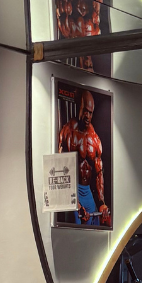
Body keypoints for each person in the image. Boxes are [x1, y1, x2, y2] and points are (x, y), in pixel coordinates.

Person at [57, 89, 109, 226]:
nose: (87, 116)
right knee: (76, 228)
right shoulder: (68, 132)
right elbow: (61, 172)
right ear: (79, 107)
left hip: (87, 192)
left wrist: (101, 202)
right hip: (73, 191)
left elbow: (99, 173)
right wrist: (76, 203)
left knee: (95, 226)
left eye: (90, 113)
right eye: (85, 111)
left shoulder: (95, 139)